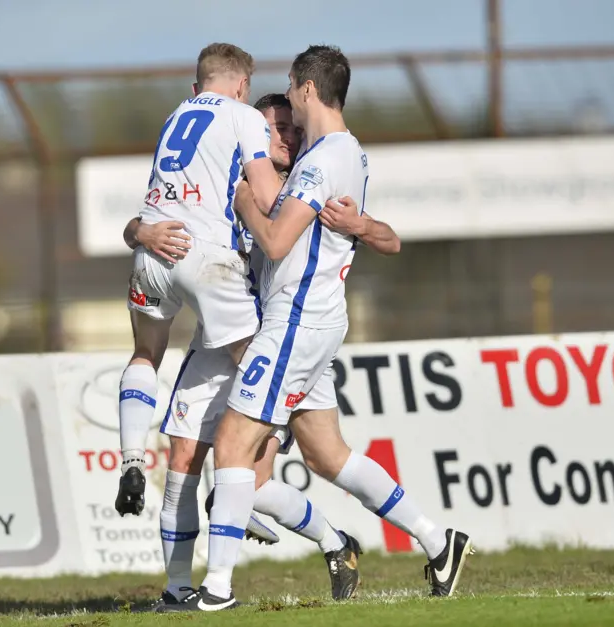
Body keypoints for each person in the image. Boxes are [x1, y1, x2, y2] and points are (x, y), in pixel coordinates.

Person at [190, 45, 472, 612]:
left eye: (291, 91)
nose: (287, 107)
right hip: (312, 319)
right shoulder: (340, 152)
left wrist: (246, 201)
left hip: (297, 320)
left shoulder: (322, 159)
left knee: (232, 447)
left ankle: (216, 590)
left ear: (307, 89)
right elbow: (360, 235)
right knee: (327, 456)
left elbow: (274, 239)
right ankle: (439, 541)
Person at [124, 93, 401, 608]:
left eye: (288, 128)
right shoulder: (227, 174)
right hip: (219, 338)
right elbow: (146, 218)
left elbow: (385, 237)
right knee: (184, 458)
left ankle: (330, 541)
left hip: (273, 342)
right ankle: (178, 591)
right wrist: (140, 229)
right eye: (272, 128)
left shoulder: (304, 187)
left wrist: (361, 225)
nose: (283, 137)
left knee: (250, 477)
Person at [116, 42, 282, 518]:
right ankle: (239, 486)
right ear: (242, 85)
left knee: (145, 353)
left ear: (198, 84)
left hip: (152, 247)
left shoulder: (174, 115)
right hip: (206, 255)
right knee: (261, 365)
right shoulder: (243, 115)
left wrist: (140, 233)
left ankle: (131, 460)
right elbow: (268, 198)